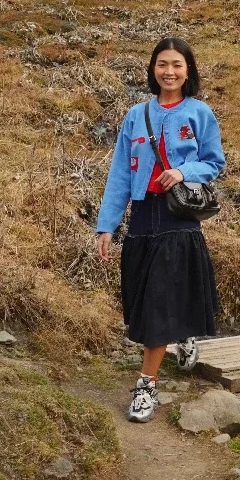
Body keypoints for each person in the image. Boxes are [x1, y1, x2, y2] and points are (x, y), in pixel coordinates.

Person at [95, 37, 225, 423]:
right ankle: (181, 333)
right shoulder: (136, 116)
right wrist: (107, 225)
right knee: (141, 298)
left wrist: (183, 171)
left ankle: (145, 388)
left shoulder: (199, 113)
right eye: (162, 64)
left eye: (177, 65)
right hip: (142, 217)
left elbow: (214, 162)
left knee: (156, 301)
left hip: (178, 218)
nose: (169, 71)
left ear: (189, 71)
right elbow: (120, 172)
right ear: (153, 69)